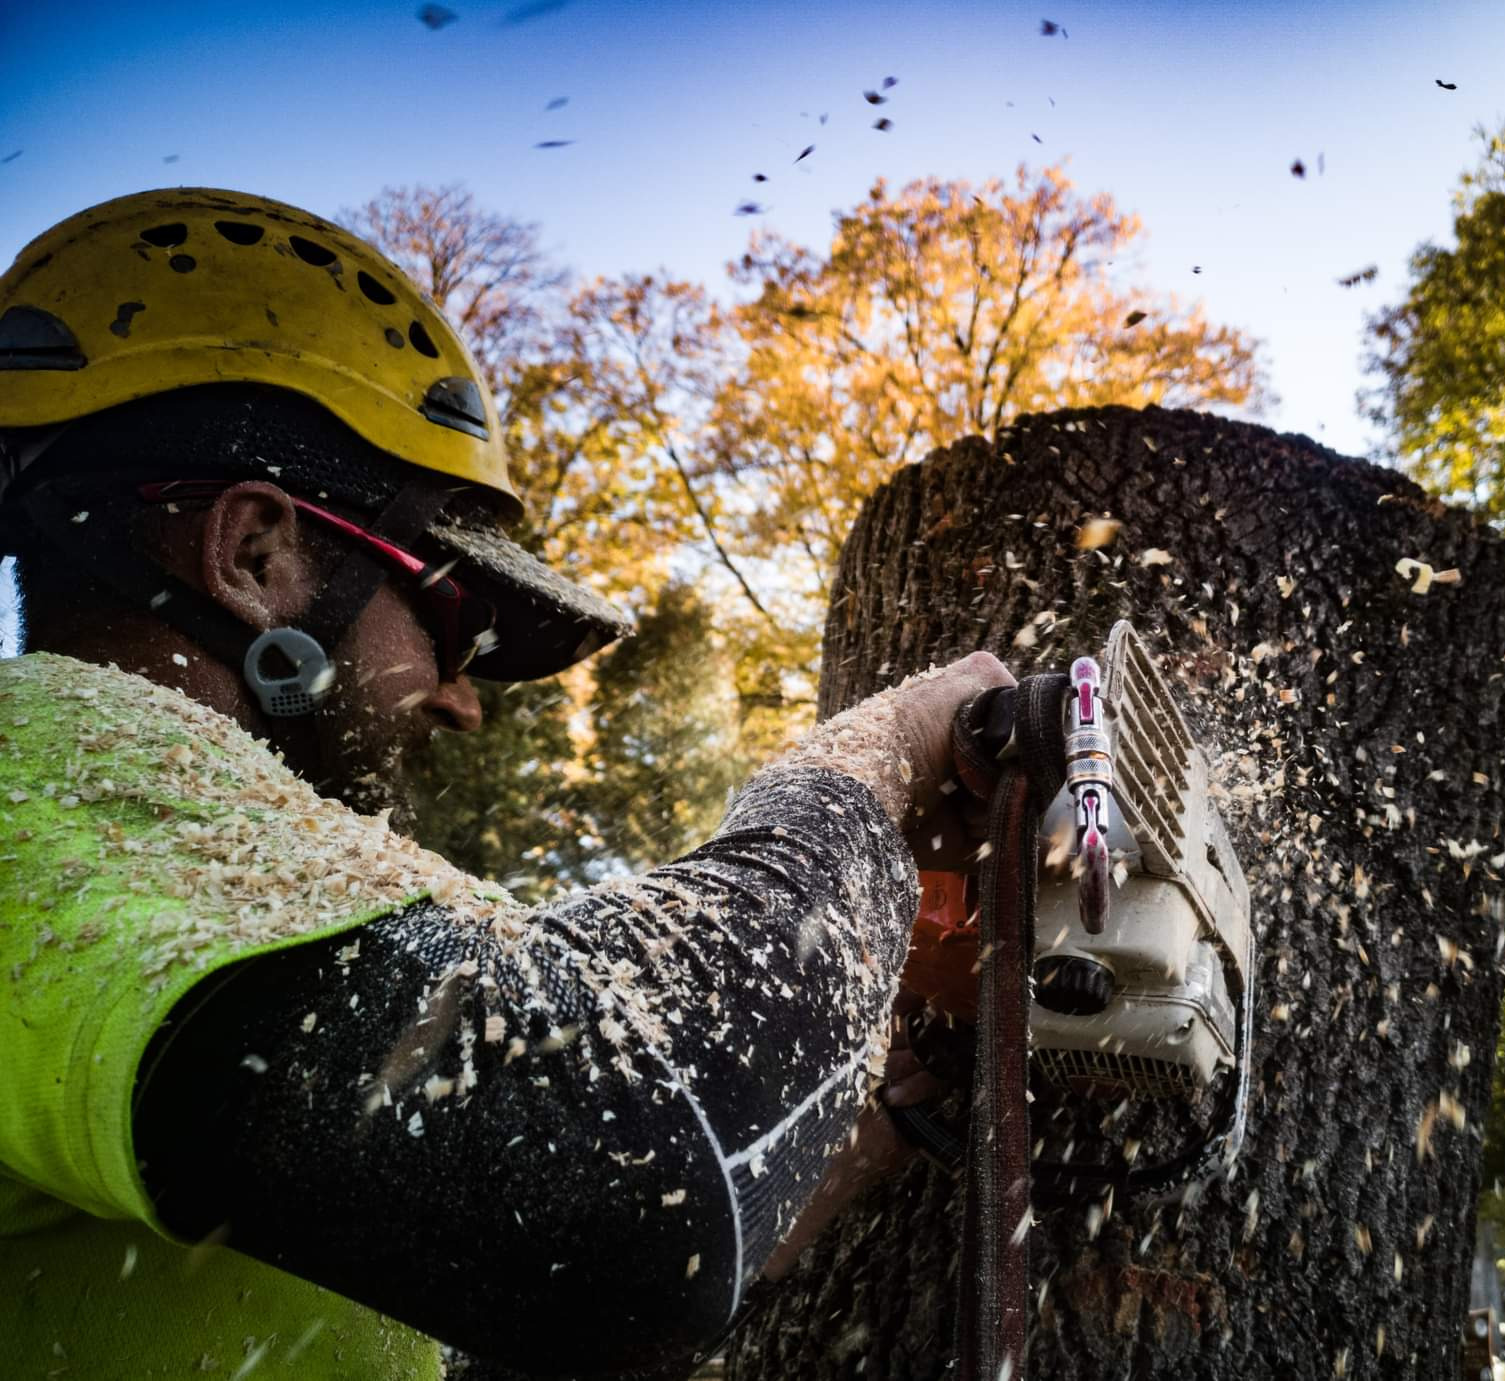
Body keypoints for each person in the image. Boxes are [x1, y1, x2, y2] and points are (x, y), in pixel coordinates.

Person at [0, 187, 1011, 1378]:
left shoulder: (143, 913)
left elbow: (529, 1282)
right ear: (257, 556)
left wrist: (863, 1123)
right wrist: (868, 761)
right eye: (453, 617)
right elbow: (610, 1184)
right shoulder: (45, 762)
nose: (465, 695)